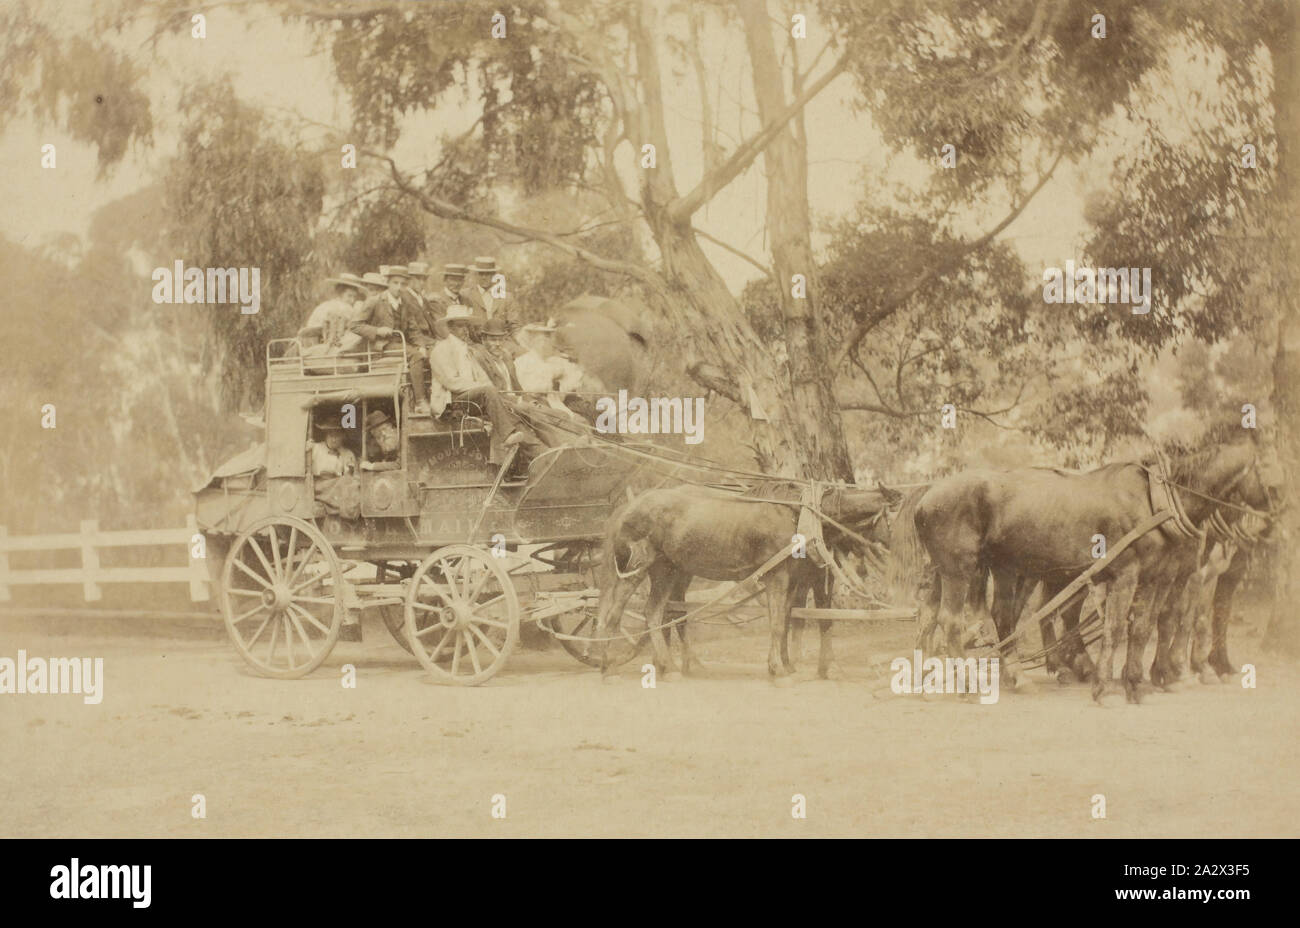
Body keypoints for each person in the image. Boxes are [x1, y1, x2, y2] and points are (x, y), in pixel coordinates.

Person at [427, 304, 543, 467]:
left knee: (507, 407)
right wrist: (482, 388)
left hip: (470, 400)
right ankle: (509, 436)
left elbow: (484, 379)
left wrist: (493, 391)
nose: (465, 330)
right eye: (460, 326)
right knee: (490, 393)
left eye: (466, 326)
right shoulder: (441, 350)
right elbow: (452, 383)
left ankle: (532, 457)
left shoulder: (468, 350)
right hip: (449, 406)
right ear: (450, 327)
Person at [350, 265, 436, 415]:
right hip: (381, 346)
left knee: (429, 352)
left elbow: (413, 329)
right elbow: (355, 325)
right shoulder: (375, 301)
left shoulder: (405, 304)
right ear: (388, 283)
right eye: (395, 283)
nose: (399, 287)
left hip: (400, 344)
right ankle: (420, 402)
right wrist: (377, 331)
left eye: (403, 284)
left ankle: (435, 396)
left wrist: (421, 345)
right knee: (415, 355)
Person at [460, 256, 505, 324]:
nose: (484, 277)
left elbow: (515, 325)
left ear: (494, 275)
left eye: (488, 274)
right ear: (476, 275)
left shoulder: (506, 297)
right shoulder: (465, 295)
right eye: (481, 274)